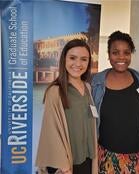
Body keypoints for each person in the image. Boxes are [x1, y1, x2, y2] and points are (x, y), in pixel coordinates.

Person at [91, 31, 139, 174]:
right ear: (109, 54)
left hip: (136, 159)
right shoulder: (97, 82)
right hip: (105, 159)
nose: (121, 57)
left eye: (126, 52)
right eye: (115, 52)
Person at [36, 39, 98, 174]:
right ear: (64, 60)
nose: (78, 64)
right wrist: (63, 166)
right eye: (72, 58)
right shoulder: (55, 91)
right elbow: (50, 131)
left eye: (84, 59)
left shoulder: (88, 87)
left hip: (87, 158)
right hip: (66, 164)